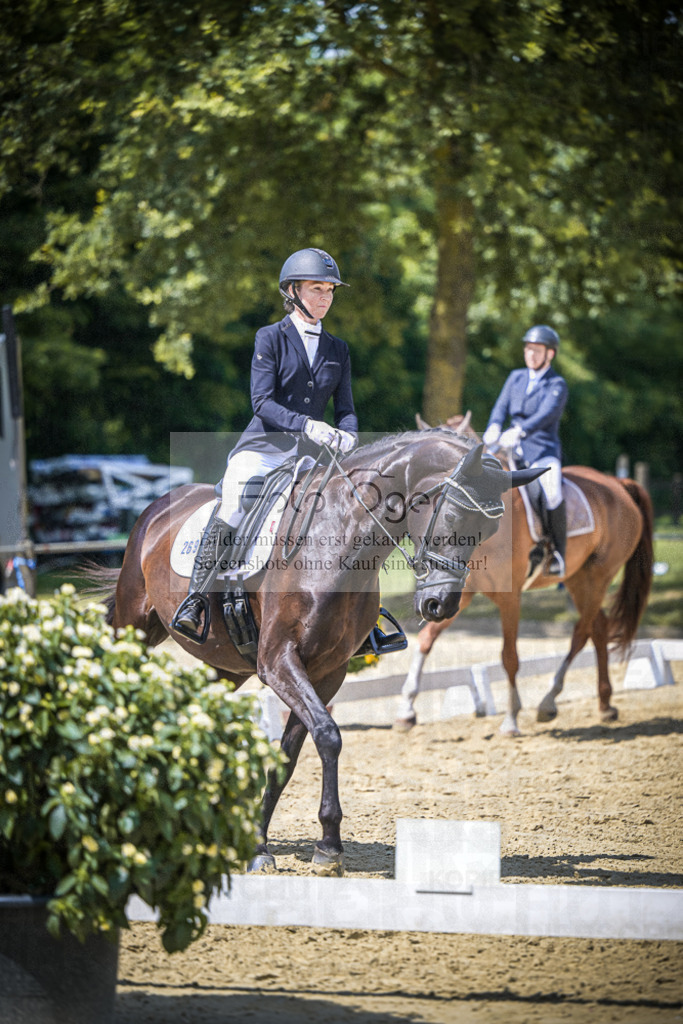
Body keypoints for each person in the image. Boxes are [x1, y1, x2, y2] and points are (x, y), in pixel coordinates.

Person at [174, 247, 359, 638]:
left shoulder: (338, 349)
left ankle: (362, 615)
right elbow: (262, 402)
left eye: (329, 290)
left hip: (312, 459)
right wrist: (308, 426)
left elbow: (346, 409)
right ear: (291, 291)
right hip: (263, 450)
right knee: (234, 501)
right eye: (316, 289)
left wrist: (349, 435)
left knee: (346, 512)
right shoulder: (270, 337)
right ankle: (197, 599)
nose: (325, 297)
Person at [482, 324, 568, 576]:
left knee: (551, 491)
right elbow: (500, 406)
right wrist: (494, 425)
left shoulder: (557, 384)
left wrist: (519, 431)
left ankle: (558, 552)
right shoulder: (515, 377)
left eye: (536, 350)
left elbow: (546, 415)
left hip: (542, 449)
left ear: (549, 354)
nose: (530, 354)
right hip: (508, 446)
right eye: (528, 349)